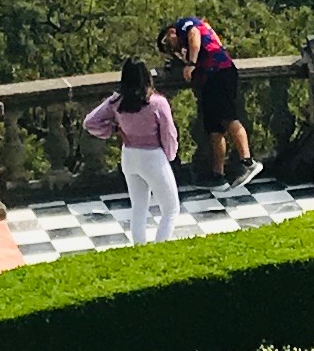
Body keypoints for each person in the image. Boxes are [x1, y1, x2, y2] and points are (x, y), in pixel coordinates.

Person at [85, 56, 183, 247]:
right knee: (171, 210)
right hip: (153, 157)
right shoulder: (157, 103)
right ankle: (159, 250)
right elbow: (169, 133)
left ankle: (139, 248)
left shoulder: (117, 102)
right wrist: (170, 155)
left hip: (129, 155)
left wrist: (112, 129)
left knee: (139, 207)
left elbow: (90, 122)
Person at [160, 15, 251, 184]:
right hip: (212, 76)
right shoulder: (203, 30)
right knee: (215, 128)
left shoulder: (184, 25)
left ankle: (247, 161)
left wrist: (191, 64)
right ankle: (218, 174)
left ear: (171, 32)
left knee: (228, 118)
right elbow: (215, 41)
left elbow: (194, 33)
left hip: (218, 73)